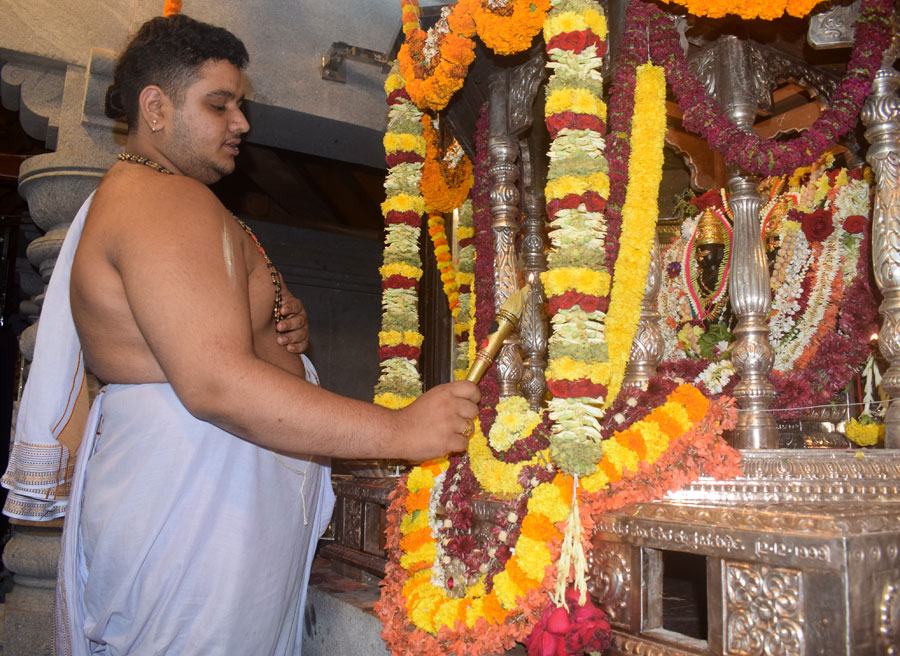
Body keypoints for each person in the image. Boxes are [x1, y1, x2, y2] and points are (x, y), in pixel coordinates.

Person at [9, 14, 480, 656]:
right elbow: (215, 384)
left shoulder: (157, 195)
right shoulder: (164, 199)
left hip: (195, 484)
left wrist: (276, 319)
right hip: (194, 491)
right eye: (219, 104)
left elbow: (203, 341)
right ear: (156, 108)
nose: (241, 123)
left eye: (240, 105)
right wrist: (401, 431)